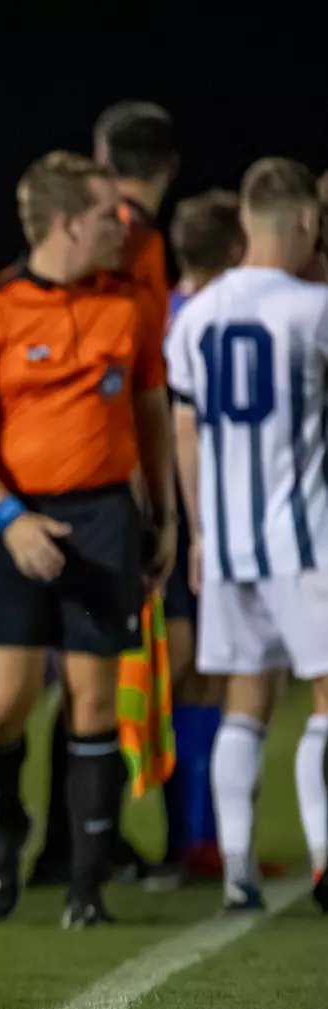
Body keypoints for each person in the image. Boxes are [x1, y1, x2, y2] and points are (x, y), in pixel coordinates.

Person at [0, 151, 176, 928]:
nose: (124, 226)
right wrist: (9, 518)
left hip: (104, 518)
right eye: (109, 214)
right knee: (0, 710)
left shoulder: (130, 302)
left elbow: (152, 410)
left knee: (95, 701)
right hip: (14, 520)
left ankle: (86, 889)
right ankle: (11, 822)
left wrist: (162, 515)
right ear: (69, 222)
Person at [165, 157, 328, 915]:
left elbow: (186, 432)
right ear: (302, 223)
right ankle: (325, 858)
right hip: (303, 535)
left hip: (228, 543)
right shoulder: (309, 309)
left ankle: (236, 872)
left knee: (244, 702)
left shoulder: (192, 315)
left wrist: (198, 532)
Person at [31, 101, 180, 888]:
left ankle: (83, 839)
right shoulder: (136, 242)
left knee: (105, 668)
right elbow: (139, 373)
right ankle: (77, 840)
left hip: (94, 470)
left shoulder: (116, 238)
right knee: (109, 666)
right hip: (109, 475)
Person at [159, 190, 246, 880]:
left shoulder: (159, 311)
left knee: (187, 675)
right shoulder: (220, 318)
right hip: (196, 506)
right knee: (199, 675)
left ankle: (195, 837)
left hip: (167, 506)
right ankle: (194, 838)